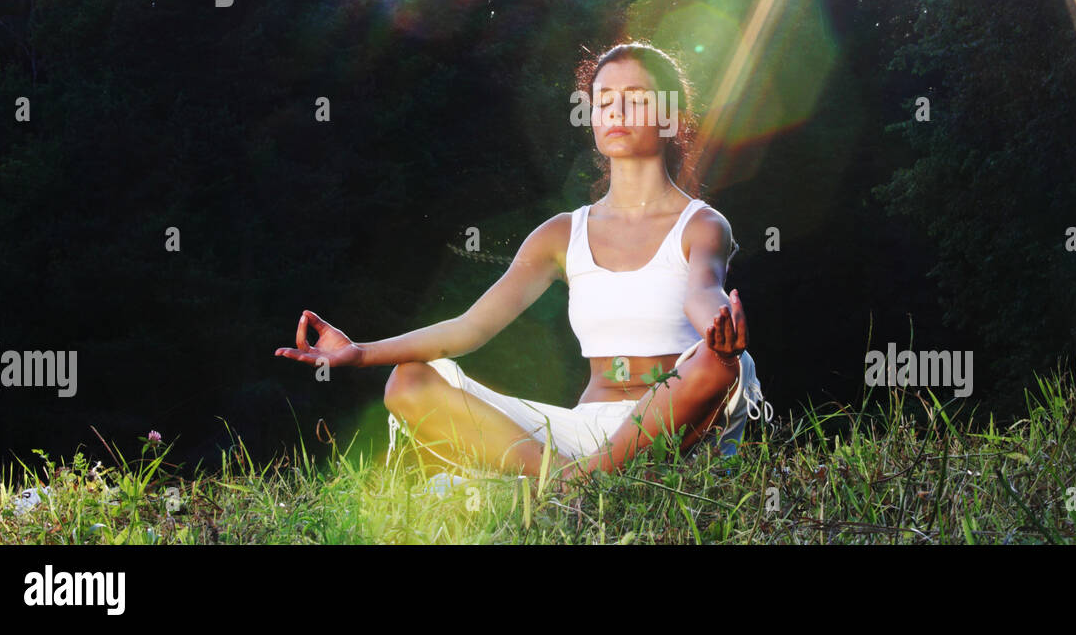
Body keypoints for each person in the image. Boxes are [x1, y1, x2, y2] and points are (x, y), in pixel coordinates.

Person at [275, 42, 769, 490]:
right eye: (603, 100)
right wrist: (360, 352)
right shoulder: (561, 233)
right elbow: (469, 329)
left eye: (636, 97)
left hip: (677, 424)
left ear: (670, 117)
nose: (615, 110)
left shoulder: (701, 223)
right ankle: (568, 480)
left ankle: (563, 484)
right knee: (409, 381)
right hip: (587, 432)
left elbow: (702, 292)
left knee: (721, 361)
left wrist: (719, 328)